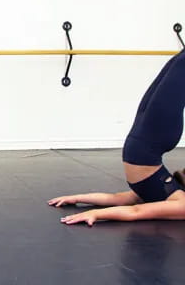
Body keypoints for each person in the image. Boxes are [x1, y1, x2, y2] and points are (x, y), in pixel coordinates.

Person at [49, 49, 185, 225]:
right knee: (181, 67)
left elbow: (120, 201)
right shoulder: (174, 194)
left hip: (144, 141)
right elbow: (134, 210)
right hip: (151, 142)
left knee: (178, 63)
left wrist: (80, 200)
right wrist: (94, 212)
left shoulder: (171, 196)